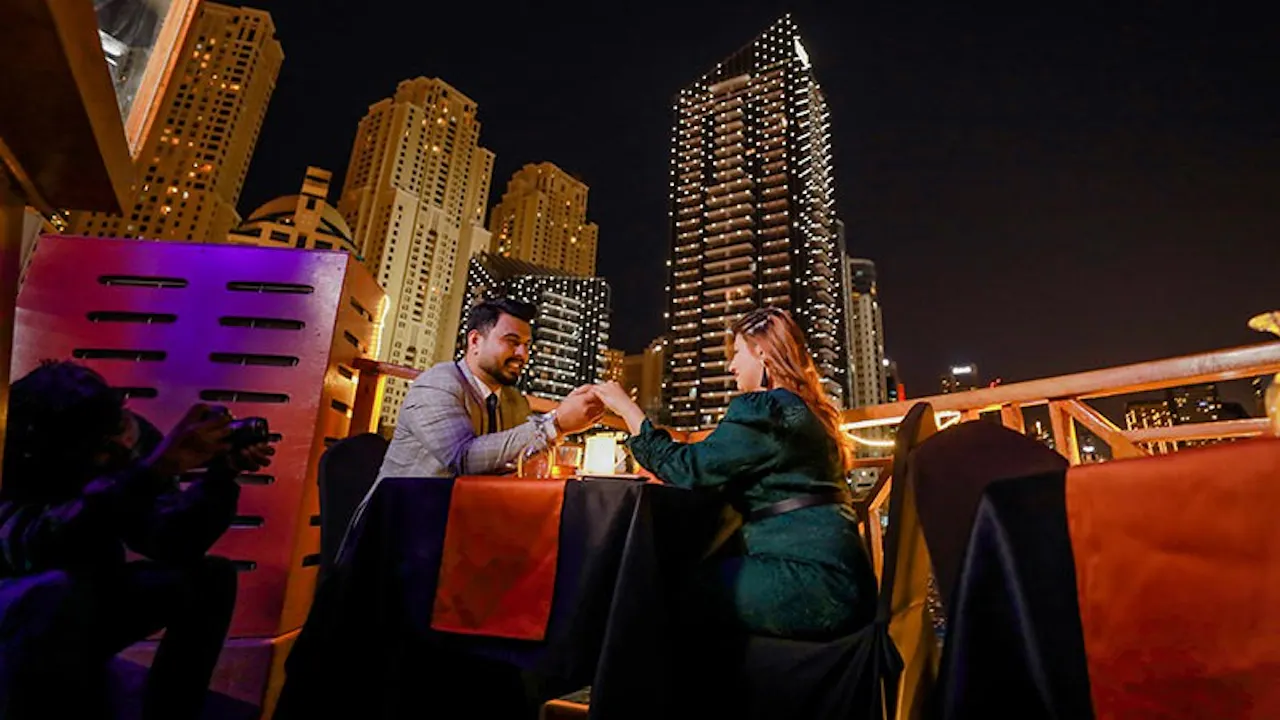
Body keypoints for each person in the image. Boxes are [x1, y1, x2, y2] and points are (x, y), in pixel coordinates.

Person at [0, 361, 274, 719]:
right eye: (102, 445)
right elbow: (32, 545)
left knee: (210, 577)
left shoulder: (125, 436)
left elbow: (171, 542)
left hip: (86, 600)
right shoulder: (11, 450)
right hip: (20, 616)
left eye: (119, 427)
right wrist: (151, 472)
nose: (119, 447)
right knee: (55, 587)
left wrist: (221, 478)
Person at [594, 308, 877, 641]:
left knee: (662, 584)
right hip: (846, 579)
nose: (731, 366)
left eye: (737, 353)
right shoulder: (813, 412)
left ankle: (647, 691)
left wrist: (627, 410)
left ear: (760, 351)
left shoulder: (766, 409)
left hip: (811, 582)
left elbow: (690, 467)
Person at [377, 297, 604, 479]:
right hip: (404, 519)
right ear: (475, 341)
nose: (522, 355)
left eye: (526, 346)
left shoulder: (513, 401)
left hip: (472, 516)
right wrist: (556, 423)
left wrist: (566, 421)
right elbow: (462, 459)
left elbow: (519, 458)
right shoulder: (436, 385)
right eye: (512, 342)